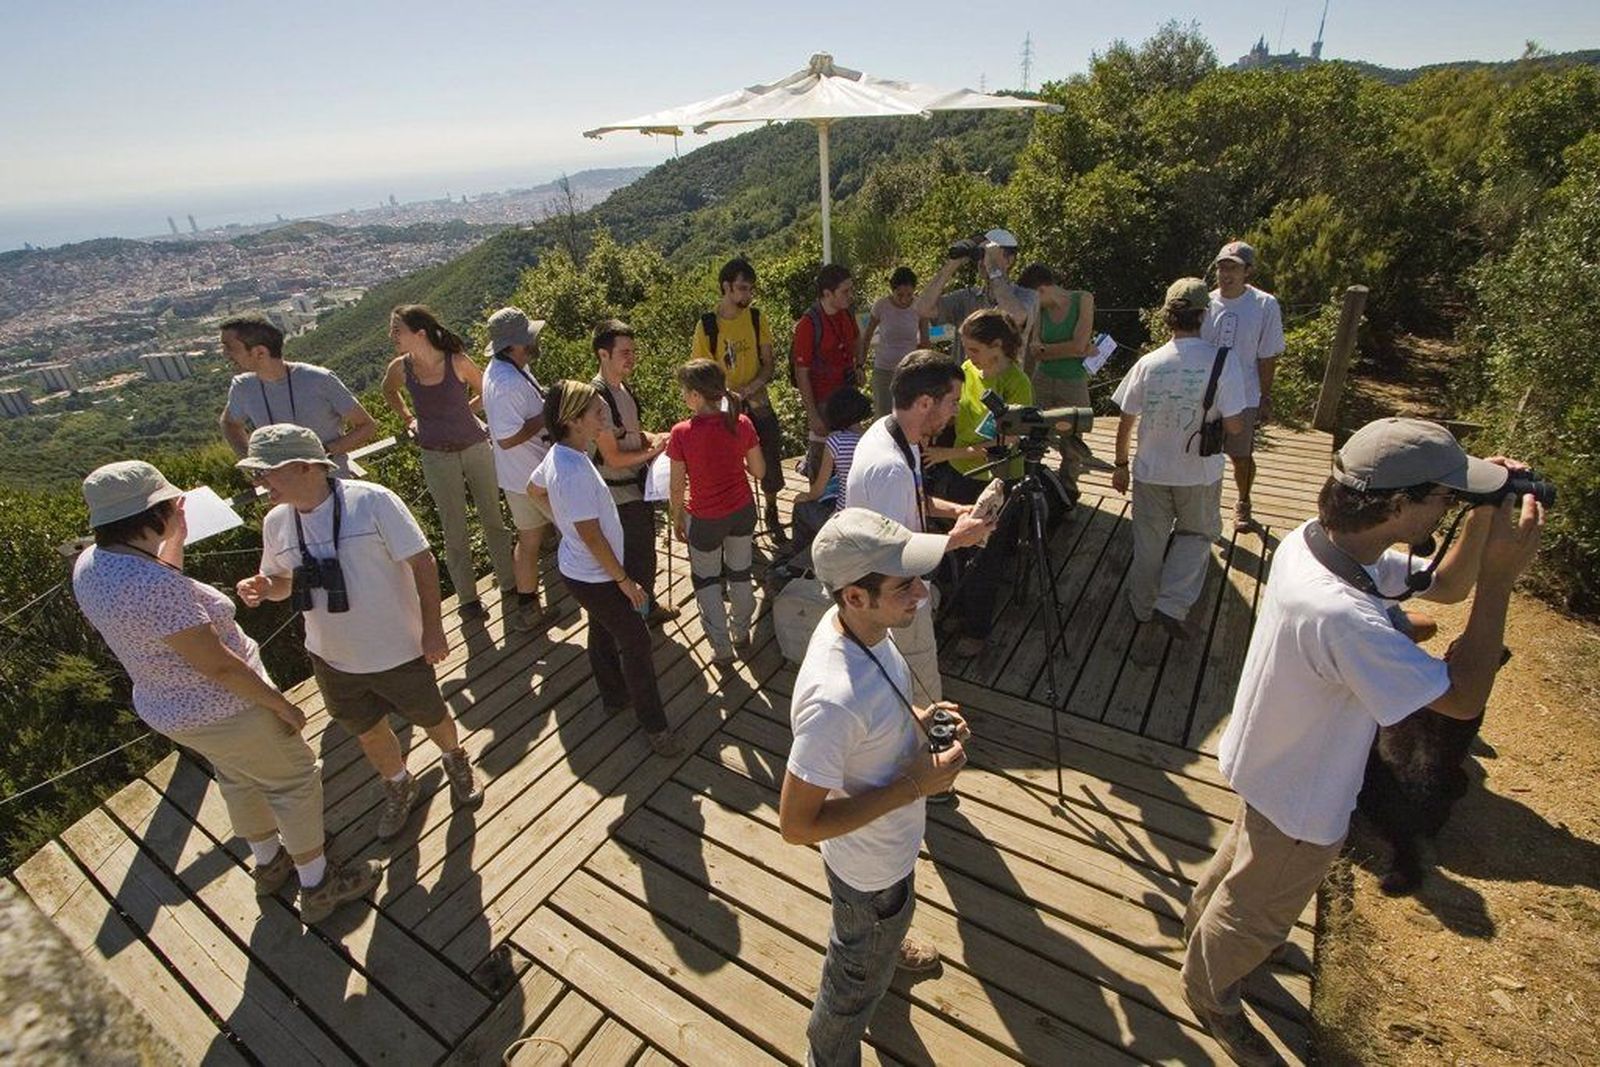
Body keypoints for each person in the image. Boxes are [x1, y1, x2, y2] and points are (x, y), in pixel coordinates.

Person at [1181, 418, 1541, 1066]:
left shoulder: (1321, 544)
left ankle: (1202, 927)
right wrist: (1503, 578)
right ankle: (1211, 989)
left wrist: (1485, 509)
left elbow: (1445, 585)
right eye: (1445, 497)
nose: (1449, 507)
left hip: (1269, 756)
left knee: (1245, 863)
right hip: (1306, 794)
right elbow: (1462, 696)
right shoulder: (1346, 613)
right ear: (1399, 506)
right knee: (1259, 907)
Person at [73, 461, 380, 924]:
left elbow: (165, 596)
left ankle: (269, 861)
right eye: (170, 505)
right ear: (151, 512)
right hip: (228, 706)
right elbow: (215, 663)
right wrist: (281, 706)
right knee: (293, 780)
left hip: (172, 707)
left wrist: (174, 535)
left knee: (238, 776)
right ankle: (318, 884)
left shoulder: (94, 566)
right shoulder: (149, 586)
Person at [780, 507, 970, 1067]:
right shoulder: (832, 700)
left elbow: (877, 702)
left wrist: (921, 716)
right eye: (905, 585)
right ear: (855, 596)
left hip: (890, 850)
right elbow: (794, 826)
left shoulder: (859, 624)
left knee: (886, 928)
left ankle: (887, 952)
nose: (923, 594)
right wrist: (916, 784)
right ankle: (829, 1054)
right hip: (868, 874)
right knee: (851, 976)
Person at [234, 425, 483, 841]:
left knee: (432, 715)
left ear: (304, 466)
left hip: (397, 650)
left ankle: (454, 756)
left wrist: (434, 631)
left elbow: (423, 563)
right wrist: (264, 588)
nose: (260, 483)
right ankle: (399, 783)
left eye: (267, 472)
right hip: (332, 658)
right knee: (367, 731)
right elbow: (283, 583)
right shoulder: (277, 523)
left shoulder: (373, 502)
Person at [528, 381, 684, 756]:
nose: (604, 416)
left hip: (583, 568)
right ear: (574, 420)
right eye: (597, 412)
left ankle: (613, 697)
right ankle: (655, 726)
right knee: (636, 640)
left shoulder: (562, 454)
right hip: (594, 574)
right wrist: (625, 581)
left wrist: (561, 524)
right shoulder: (573, 470)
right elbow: (592, 535)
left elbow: (533, 490)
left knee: (602, 629)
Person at [844, 351, 995, 705]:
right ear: (926, 402)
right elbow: (898, 555)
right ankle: (926, 748)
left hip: (893, 586)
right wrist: (958, 540)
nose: (956, 411)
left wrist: (957, 509)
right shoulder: (891, 467)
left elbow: (915, 498)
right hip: (892, 595)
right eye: (953, 402)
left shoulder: (892, 430)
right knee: (923, 690)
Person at [1110, 278, 1247, 639]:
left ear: (1168, 316)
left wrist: (1120, 465)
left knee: (1149, 541)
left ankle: (1141, 607)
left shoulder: (1148, 363)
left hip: (1150, 471)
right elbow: (1234, 427)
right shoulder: (1225, 361)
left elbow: (1125, 421)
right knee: (1197, 535)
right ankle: (1171, 604)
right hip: (1199, 473)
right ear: (1205, 314)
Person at [381, 304, 517, 622]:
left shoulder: (456, 360)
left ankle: (510, 584)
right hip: (436, 453)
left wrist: (463, 409)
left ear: (420, 333)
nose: (392, 336)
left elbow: (486, 389)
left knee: (492, 518)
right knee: (453, 528)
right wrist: (408, 418)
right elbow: (389, 391)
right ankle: (468, 600)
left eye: (397, 330)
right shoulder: (401, 369)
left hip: (474, 446)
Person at [924, 310, 1036, 656]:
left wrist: (945, 453)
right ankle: (959, 609)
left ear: (997, 346)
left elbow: (1009, 442)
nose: (967, 355)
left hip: (999, 476)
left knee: (986, 553)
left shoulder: (1017, 383)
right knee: (959, 545)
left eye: (973, 349)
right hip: (961, 471)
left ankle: (978, 628)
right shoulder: (969, 372)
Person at [666, 360, 766, 667]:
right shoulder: (742, 423)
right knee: (740, 572)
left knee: (707, 581)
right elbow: (759, 471)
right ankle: (741, 632)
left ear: (696, 395)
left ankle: (721, 649)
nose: (684, 396)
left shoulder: (681, 433)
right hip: (741, 511)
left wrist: (676, 517)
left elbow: (676, 487)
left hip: (706, 518)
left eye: (685, 391)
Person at [691, 257, 787, 543]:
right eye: (742, 289)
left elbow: (768, 362)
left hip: (757, 397)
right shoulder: (707, 325)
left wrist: (751, 387)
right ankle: (736, 516)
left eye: (750, 290)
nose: (747, 295)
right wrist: (725, 396)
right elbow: (700, 372)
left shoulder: (757, 318)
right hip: (722, 403)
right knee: (726, 459)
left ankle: (771, 507)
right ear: (726, 287)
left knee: (770, 447)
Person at [480, 307, 561, 632]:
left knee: (528, 540)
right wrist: (548, 413)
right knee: (580, 531)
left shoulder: (504, 369)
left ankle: (528, 607)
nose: (533, 343)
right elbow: (508, 437)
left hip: (521, 476)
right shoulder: (507, 383)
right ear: (513, 345)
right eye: (528, 339)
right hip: (532, 476)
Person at [218, 313, 376, 478]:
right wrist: (253, 464)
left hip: (331, 483)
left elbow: (367, 426)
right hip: (284, 490)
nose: (224, 354)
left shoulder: (319, 379)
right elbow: (229, 424)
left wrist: (325, 452)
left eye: (229, 347)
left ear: (260, 352)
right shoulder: (243, 386)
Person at [591, 318, 675, 626]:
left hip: (635, 489)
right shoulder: (596, 399)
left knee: (643, 555)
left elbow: (630, 435)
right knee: (633, 559)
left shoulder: (622, 389)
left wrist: (654, 437)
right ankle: (637, 617)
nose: (632, 357)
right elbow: (612, 457)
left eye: (632, 351)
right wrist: (654, 450)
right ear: (603, 354)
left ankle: (644, 610)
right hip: (618, 495)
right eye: (624, 352)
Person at [1201, 241, 1286, 534]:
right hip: (1207, 395)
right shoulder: (1206, 301)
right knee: (1204, 452)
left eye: (1233, 267)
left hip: (1244, 395)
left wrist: (1265, 397)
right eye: (1222, 267)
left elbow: (1267, 355)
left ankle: (1243, 502)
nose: (1225, 274)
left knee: (1240, 455)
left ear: (1247, 271)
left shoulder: (1264, 305)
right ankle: (1205, 508)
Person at [1017, 262, 1096, 495]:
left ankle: (1069, 492)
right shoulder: (1041, 311)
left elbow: (1078, 344)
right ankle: (1030, 485)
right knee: (1032, 431)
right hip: (1042, 378)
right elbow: (1035, 349)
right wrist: (1073, 349)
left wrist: (1049, 351)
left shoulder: (1083, 299)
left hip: (1073, 381)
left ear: (1041, 290)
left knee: (1072, 443)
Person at [912, 228, 1039, 364]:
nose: (982, 261)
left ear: (1009, 260)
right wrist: (953, 263)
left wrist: (993, 267)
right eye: (981, 256)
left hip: (1004, 384)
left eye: (986, 255)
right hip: (966, 383)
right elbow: (922, 308)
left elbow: (1015, 316)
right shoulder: (967, 297)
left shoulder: (1027, 296)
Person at [792, 263, 862, 477]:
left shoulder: (846, 314)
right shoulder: (808, 324)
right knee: (821, 461)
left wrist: (858, 365)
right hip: (823, 401)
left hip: (847, 396)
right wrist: (812, 415)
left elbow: (857, 339)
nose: (851, 295)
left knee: (854, 458)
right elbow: (801, 373)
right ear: (827, 293)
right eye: (845, 291)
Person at [792, 386, 874, 554]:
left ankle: (800, 557)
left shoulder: (836, 442)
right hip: (870, 521)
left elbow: (818, 490)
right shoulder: (873, 438)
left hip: (843, 522)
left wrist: (804, 496)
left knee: (801, 509)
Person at [860, 267, 929, 416]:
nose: (905, 299)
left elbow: (925, 342)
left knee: (909, 414)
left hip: (909, 370)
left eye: (909, 295)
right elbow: (866, 338)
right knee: (883, 414)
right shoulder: (881, 306)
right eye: (900, 295)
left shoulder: (919, 307)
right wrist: (860, 365)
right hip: (884, 369)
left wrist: (927, 371)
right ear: (893, 290)